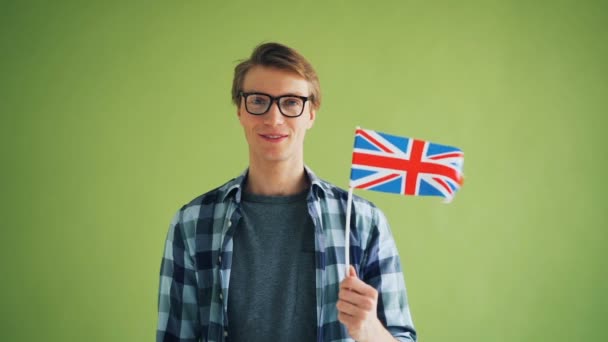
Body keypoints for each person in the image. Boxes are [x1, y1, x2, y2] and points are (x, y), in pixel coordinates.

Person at [156, 42, 417, 342]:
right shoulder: (193, 223)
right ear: (240, 110)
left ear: (311, 114)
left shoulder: (363, 221)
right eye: (258, 101)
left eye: (291, 102)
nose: (274, 118)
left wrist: (369, 330)